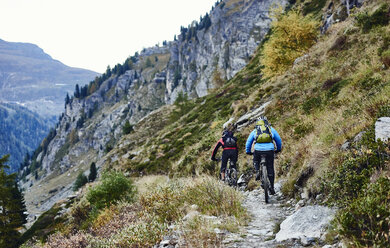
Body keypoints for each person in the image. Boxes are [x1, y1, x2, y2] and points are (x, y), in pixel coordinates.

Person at [245, 116, 282, 195]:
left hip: (258, 150)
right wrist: (278, 149)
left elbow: (249, 142)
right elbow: (278, 140)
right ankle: (272, 187)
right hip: (270, 150)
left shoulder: (255, 130)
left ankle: (258, 170)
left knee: (255, 160)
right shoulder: (271, 129)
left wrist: (248, 151)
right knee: (270, 167)